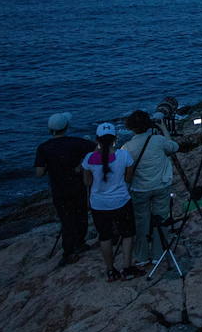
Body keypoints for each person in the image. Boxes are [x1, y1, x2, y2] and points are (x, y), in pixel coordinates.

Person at [35, 112, 94, 267]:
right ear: (67, 127)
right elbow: (97, 148)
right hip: (77, 186)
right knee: (81, 215)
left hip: (59, 189)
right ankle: (80, 243)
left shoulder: (44, 148)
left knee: (66, 219)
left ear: (50, 129)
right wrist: (82, 165)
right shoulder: (77, 143)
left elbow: (39, 173)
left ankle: (68, 251)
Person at [82, 123, 139, 281]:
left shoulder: (89, 159)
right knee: (127, 234)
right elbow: (128, 178)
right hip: (121, 201)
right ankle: (127, 268)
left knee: (105, 237)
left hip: (98, 204)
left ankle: (110, 270)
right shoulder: (123, 155)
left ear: (97, 140)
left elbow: (87, 182)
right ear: (115, 138)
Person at [121, 109, 179, 263]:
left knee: (141, 222)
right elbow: (174, 147)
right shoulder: (158, 140)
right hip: (161, 185)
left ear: (131, 127)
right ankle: (158, 254)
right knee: (160, 219)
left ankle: (141, 256)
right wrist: (164, 128)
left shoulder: (127, 147)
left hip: (139, 189)